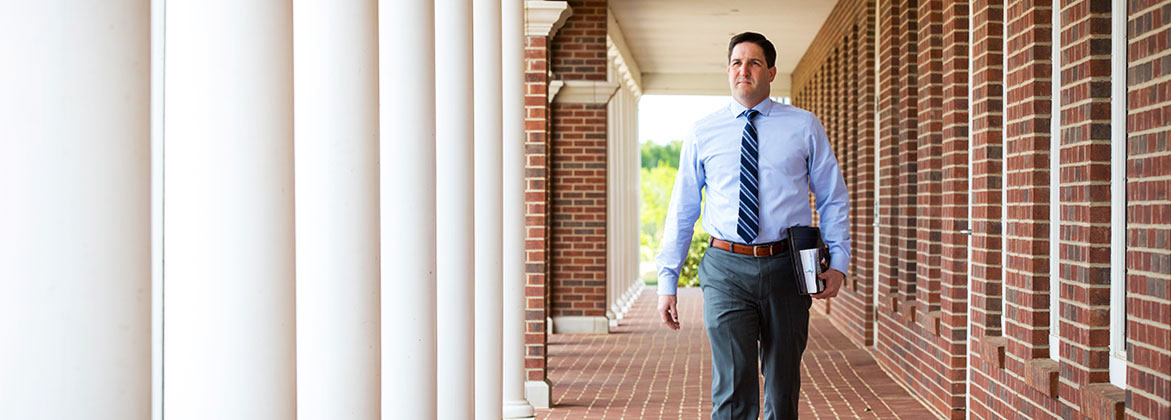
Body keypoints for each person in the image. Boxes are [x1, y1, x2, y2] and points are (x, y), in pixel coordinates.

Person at [654, 32, 851, 420]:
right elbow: (683, 209)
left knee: (782, 387)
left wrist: (839, 262)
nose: (743, 70)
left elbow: (832, 197)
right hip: (726, 267)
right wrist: (667, 281)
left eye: (754, 63)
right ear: (728, 71)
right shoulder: (702, 132)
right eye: (736, 63)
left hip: (787, 268)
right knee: (732, 388)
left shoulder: (804, 126)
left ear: (772, 72)